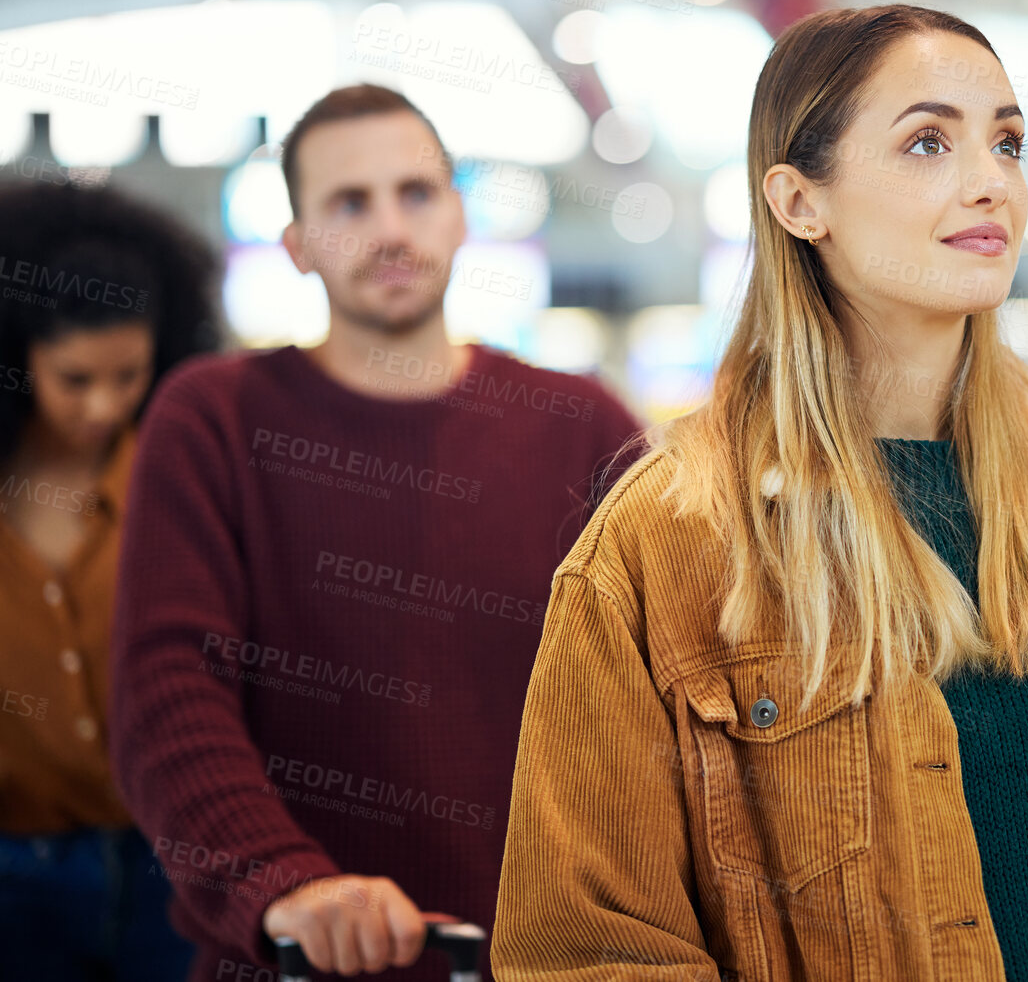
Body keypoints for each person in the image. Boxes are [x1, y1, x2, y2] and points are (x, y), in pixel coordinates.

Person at [492, 5, 1028, 981]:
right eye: (927, 141)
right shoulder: (667, 543)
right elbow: (585, 953)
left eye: (1007, 142)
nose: (991, 182)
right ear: (799, 201)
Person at [109, 85, 645, 982]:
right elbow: (168, 690)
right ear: (298, 244)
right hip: (294, 959)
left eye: (417, 193)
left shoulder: (583, 424)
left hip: (544, 959)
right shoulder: (213, 419)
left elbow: (670, 687)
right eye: (350, 204)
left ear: (461, 217)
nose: (390, 228)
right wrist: (281, 884)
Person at [0, 180, 219, 981]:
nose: (104, 404)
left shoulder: (181, 479)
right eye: (74, 378)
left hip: (163, 859)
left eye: (128, 375)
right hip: (14, 866)